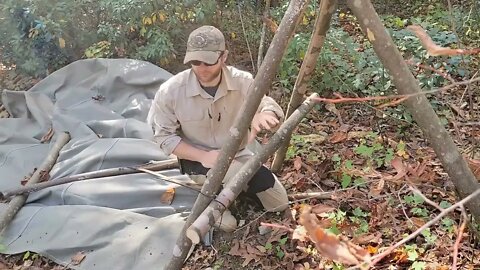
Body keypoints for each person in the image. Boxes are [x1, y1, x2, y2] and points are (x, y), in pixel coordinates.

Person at [147, 25, 288, 232]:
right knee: (229, 224)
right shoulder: (171, 91)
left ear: (224, 57)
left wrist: (267, 113)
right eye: (195, 62)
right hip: (197, 161)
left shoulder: (243, 81)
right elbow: (163, 137)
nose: (202, 68)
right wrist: (203, 156)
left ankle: (232, 189)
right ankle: (211, 193)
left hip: (238, 155)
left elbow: (266, 103)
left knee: (279, 203)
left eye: (209, 61)